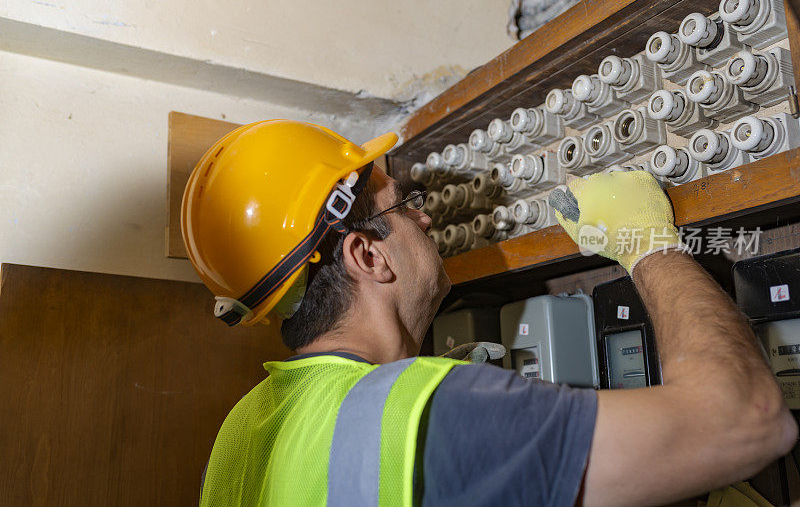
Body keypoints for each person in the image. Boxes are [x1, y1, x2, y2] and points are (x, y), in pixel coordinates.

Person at [182, 120, 797, 506]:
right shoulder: (430, 409)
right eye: (406, 205)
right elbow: (747, 420)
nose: (425, 218)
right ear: (367, 255)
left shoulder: (241, 429)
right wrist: (648, 245)